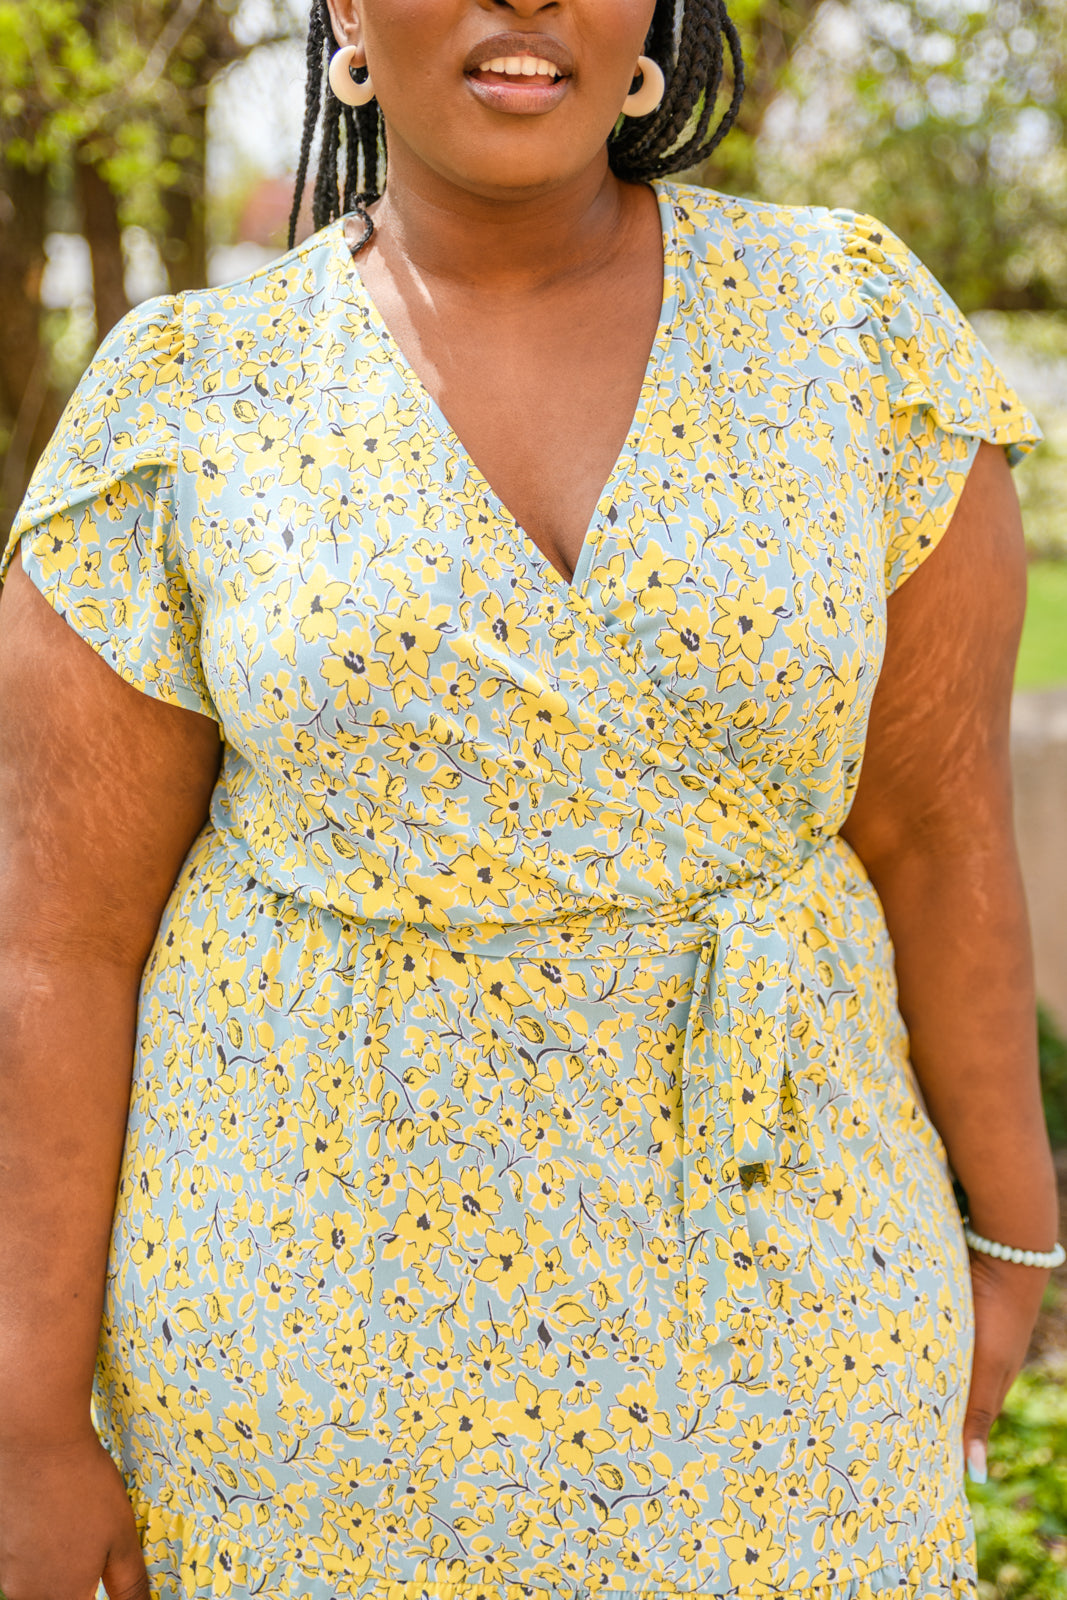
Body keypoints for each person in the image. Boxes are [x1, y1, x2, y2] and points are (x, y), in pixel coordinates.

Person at [0, 0, 1060, 1596]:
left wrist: (1018, 1234)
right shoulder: (188, 402)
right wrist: (26, 1420)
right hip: (304, 1370)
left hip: (795, 1318)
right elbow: (58, 945)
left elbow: (940, 831)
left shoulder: (848, 331)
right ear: (346, 14)